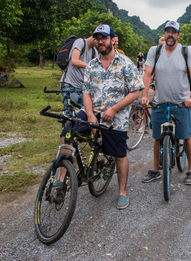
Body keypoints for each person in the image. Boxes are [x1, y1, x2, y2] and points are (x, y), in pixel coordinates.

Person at [60, 24, 144, 209]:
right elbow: (86, 92)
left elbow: (135, 92)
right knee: (67, 133)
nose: (100, 41)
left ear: (112, 40)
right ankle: (61, 178)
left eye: (104, 38)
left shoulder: (125, 63)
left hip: (116, 115)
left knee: (120, 154)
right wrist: (90, 114)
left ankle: (122, 191)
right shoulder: (91, 65)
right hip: (94, 110)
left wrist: (113, 109)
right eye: (97, 38)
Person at [139, 20, 191, 185]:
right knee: (157, 138)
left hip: (181, 102)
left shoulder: (186, 51)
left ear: (178, 35)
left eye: (173, 32)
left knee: (186, 136)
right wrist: (144, 95)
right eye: (167, 31)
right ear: (164, 34)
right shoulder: (155, 51)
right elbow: (147, 74)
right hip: (160, 102)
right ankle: (155, 170)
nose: (170, 34)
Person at [59, 35, 97, 108]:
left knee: (86, 113)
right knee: (70, 114)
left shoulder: (94, 50)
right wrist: (90, 67)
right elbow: (74, 61)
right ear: (94, 38)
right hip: (70, 85)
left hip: (84, 87)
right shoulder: (80, 42)